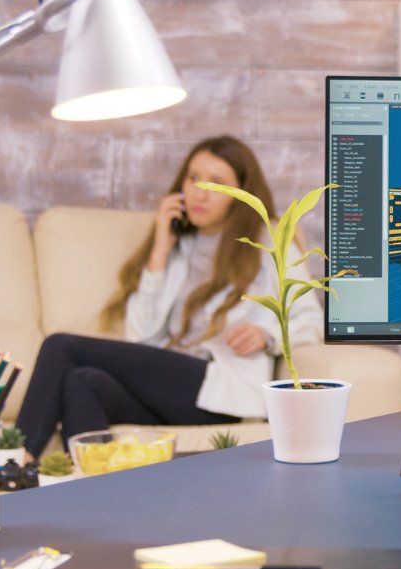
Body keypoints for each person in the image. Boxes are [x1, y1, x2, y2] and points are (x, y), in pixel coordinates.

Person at [16, 135, 322, 460]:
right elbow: (140, 335)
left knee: (62, 346)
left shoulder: (269, 243)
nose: (199, 193)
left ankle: (12, 465)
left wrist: (267, 335)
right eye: (193, 178)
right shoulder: (179, 246)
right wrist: (160, 248)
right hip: (169, 389)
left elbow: (312, 320)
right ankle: (93, 497)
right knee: (82, 382)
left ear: (239, 194)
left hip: (216, 389)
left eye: (217, 184)